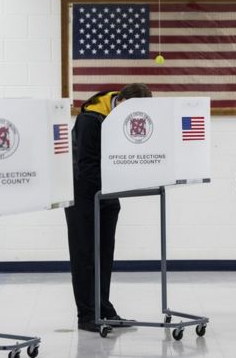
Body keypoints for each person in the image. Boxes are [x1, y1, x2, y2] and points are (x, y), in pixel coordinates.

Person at [65, 83, 153, 332]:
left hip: (108, 195)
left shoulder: (122, 120)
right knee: (85, 255)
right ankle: (87, 315)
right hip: (82, 195)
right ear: (120, 99)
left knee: (104, 254)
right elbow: (86, 166)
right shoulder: (90, 119)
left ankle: (104, 308)